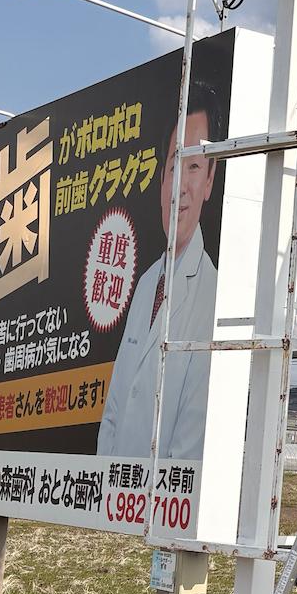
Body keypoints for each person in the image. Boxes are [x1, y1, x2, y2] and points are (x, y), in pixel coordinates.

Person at [96, 81, 223, 462]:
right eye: (174, 166)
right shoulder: (148, 282)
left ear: (210, 181)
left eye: (195, 167)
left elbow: (191, 441)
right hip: (116, 501)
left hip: (162, 509)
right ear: (160, 177)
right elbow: (115, 405)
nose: (180, 186)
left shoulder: (214, 294)